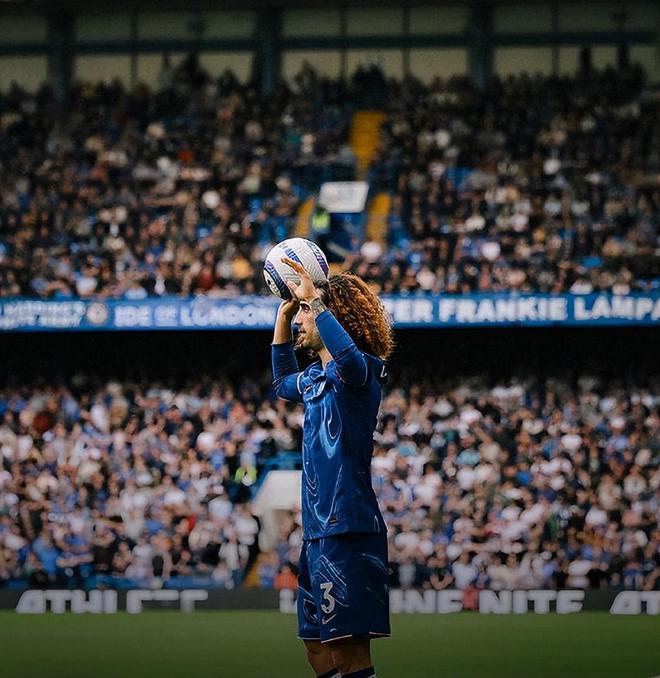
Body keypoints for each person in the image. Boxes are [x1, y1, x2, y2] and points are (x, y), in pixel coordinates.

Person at [271, 257, 394, 678]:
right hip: (317, 529)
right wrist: (283, 316)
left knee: (348, 652)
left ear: (332, 316)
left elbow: (351, 363)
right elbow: (281, 382)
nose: (301, 319)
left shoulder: (361, 372)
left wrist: (317, 303)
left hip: (348, 526)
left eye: (304, 312)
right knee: (316, 648)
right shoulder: (314, 379)